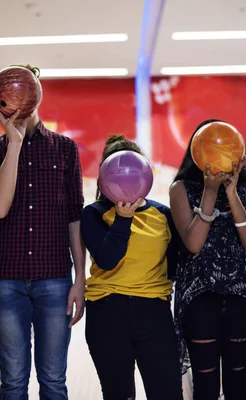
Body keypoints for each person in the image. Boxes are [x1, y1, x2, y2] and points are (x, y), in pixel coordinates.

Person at [0, 65, 86, 400]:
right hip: (6, 281)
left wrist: (80, 278)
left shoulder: (65, 149)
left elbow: (74, 218)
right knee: (12, 382)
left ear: (36, 94)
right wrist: (14, 143)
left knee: (53, 380)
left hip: (54, 278)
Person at [169, 119, 246, 400]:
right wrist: (210, 192)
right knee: (206, 386)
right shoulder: (180, 189)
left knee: (238, 386)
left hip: (241, 299)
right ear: (198, 151)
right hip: (199, 300)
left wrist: (232, 193)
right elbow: (194, 243)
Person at [81, 135, 183, 400]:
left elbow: (173, 267)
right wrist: (123, 220)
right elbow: (108, 259)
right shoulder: (92, 214)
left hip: (154, 314)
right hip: (107, 314)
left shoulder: (163, 214)